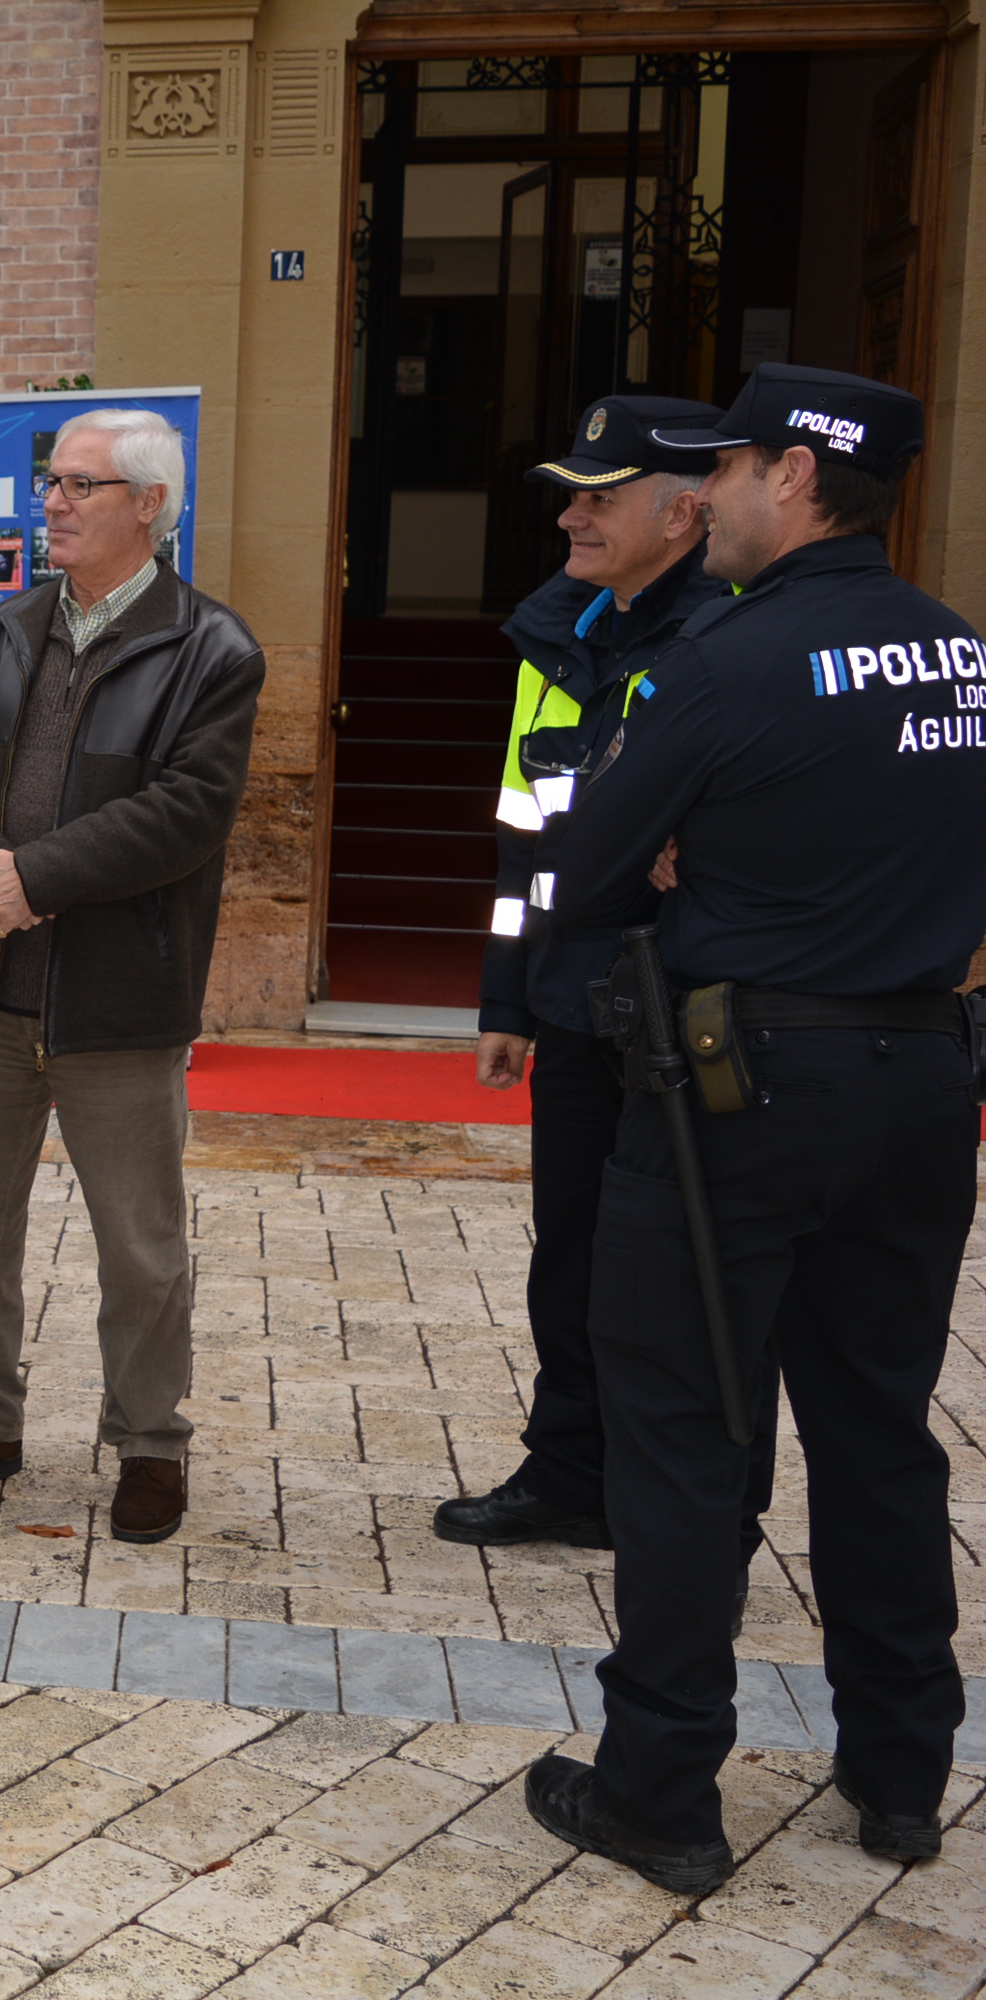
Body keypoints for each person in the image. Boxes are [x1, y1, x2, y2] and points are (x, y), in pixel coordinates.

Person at [525, 364, 980, 1893]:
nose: (702, 496)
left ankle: (659, 1787)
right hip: (923, 1081)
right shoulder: (964, 659)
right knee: (876, 1429)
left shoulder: (725, 661)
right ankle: (904, 1771)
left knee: (685, 1437)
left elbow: (584, 872)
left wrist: (675, 870)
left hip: (739, 1089)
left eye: (722, 470)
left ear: (793, 475)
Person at [0, 407, 264, 1544]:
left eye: (79, 484)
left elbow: (186, 814)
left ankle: (149, 1442)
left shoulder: (215, 649)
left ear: (149, 505)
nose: (50, 501)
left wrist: (38, 877)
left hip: (119, 1002)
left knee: (140, 1244)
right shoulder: (6, 631)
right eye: (49, 480)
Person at [438, 397, 731, 1553]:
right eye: (572, 494)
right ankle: (567, 1471)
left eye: (598, 497)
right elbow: (527, 831)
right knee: (570, 1258)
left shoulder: (729, 639)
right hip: (573, 1002)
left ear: (683, 510)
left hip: (688, 1009)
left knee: (671, 1270)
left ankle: (668, 1493)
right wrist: (509, 995)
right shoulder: (559, 634)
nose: (571, 515)